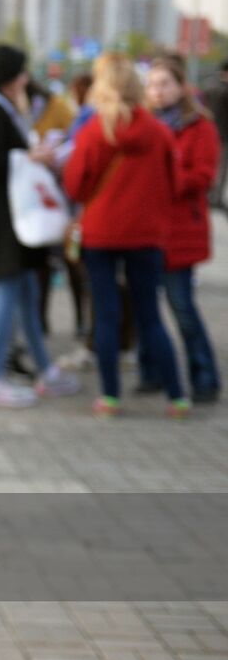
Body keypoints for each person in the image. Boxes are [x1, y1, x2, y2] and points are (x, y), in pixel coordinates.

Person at [0, 45, 78, 408]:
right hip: (2, 223)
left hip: (4, 221)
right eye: (22, 73)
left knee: (26, 292)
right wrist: (30, 156)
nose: (26, 80)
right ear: (11, 76)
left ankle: (44, 369)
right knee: (9, 295)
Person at [64, 53, 185, 418]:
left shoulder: (93, 132)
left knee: (106, 314)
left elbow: (75, 185)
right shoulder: (160, 132)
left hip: (101, 232)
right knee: (150, 315)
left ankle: (111, 397)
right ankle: (178, 397)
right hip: (146, 235)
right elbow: (175, 183)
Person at [145, 56, 220, 403]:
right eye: (152, 84)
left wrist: (164, 179)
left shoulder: (199, 126)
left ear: (181, 87)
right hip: (146, 230)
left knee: (182, 308)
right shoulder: (143, 124)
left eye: (165, 84)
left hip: (179, 230)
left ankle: (204, 375)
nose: (157, 92)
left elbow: (203, 175)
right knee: (146, 307)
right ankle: (154, 372)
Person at [207, 59, 228, 210]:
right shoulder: (225, 90)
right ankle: (216, 197)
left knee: (212, 166)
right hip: (223, 133)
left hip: (209, 132)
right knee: (221, 168)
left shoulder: (209, 86)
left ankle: (210, 195)